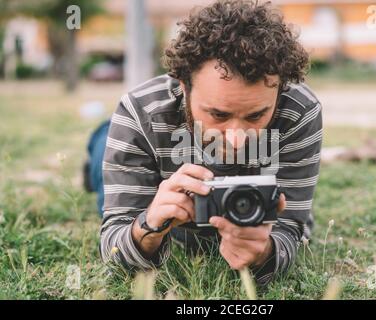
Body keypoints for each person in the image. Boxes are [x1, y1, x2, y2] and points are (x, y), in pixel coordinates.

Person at [86, 0, 323, 286]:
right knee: (104, 150)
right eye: (218, 115)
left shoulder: (299, 110)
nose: (237, 139)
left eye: (256, 115)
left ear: (280, 90)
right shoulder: (140, 111)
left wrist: (265, 253)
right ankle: (100, 144)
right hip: (143, 137)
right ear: (183, 86)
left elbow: (291, 229)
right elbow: (114, 246)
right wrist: (147, 225)